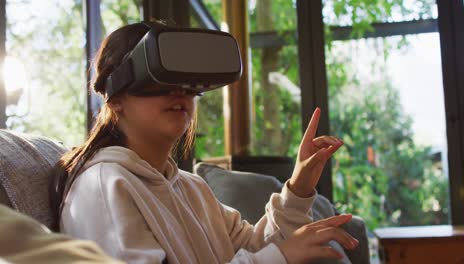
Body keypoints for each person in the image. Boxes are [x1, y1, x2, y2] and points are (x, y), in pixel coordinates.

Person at [50, 22, 358, 264]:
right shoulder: (104, 186)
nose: (180, 91)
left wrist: (299, 187)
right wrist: (280, 257)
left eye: (188, 80)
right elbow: (272, 257)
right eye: (159, 78)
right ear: (115, 98)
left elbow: (256, 247)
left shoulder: (191, 188)